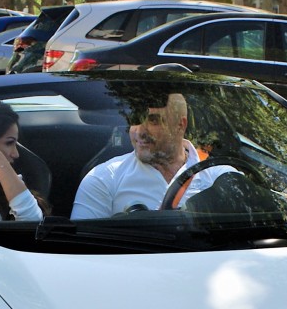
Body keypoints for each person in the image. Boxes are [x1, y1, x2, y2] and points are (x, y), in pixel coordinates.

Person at [70, 93, 228, 219]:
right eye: (135, 119)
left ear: (181, 125)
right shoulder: (104, 179)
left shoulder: (220, 177)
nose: (140, 131)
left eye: (153, 121)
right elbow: (84, 251)